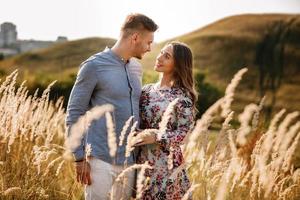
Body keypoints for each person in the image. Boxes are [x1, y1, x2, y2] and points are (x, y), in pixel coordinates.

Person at [65, 13, 158, 200]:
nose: (150, 48)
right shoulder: (93, 66)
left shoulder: (136, 69)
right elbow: (75, 112)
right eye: (148, 42)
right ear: (135, 38)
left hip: (129, 161)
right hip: (99, 160)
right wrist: (79, 158)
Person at [134, 41, 197, 199]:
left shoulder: (182, 97)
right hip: (141, 165)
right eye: (161, 52)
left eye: (167, 56)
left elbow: (185, 134)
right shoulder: (146, 90)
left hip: (168, 168)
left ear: (178, 65)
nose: (159, 57)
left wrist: (156, 136)